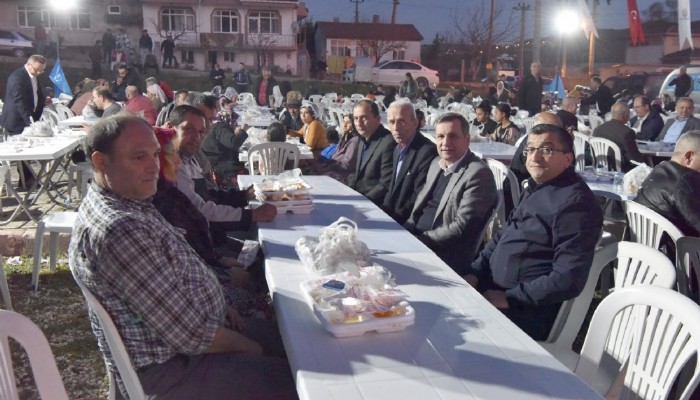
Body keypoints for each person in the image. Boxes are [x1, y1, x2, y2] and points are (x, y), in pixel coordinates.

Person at [68, 114, 296, 400]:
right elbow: (192, 335)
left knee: (294, 343)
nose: (155, 166)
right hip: (175, 370)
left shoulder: (129, 201)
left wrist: (221, 305)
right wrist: (252, 349)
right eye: (140, 157)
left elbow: (178, 270)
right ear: (101, 162)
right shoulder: (119, 229)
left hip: (199, 339)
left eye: (155, 154)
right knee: (304, 379)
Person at [465, 123, 604, 340]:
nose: (534, 158)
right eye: (530, 149)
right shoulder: (537, 187)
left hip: (526, 312)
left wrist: (510, 298)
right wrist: (475, 271)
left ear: (568, 159)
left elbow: (568, 277)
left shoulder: (575, 204)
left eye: (547, 150)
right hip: (494, 289)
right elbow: (504, 234)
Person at [403, 112, 498, 274]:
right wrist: (404, 232)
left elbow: (462, 227)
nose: (445, 143)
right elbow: (419, 208)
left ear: (467, 140)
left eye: (453, 136)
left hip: (443, 253)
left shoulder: (478, 174)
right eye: (440, 136)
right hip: (416, 240)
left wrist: (421, 241)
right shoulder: (436, 164)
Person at [168, 105, 276, 230]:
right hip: (204, 243)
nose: (196, 138)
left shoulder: (190, 159)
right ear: (170, 128)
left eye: (201, 132)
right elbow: (201, 211)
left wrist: (243, 195)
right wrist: (253, 215)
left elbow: (209, 196)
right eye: (189, 129)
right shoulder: (174, 166)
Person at [381, 99, 438, 225]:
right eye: (391, 122)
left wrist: (391, 222)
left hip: (407, 224)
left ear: (415, 123)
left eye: (402, 121)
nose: (396, 127)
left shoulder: (427, 152)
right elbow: (392, 190)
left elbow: (418, 198)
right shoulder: (397, 148)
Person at [635, 130, 700, 237]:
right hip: (673, 249)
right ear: (688, 157)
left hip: (643, 242)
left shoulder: (658, 170)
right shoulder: (686, 180)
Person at [0, 54, 46, 187]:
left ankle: (27, 180)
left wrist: (39, 111)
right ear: (29, 64)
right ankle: (27, 181)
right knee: (22, 151)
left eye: (41, 70)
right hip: (16, 119)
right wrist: (29, 122)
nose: (39, 73)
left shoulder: (34, 76)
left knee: (29, 152)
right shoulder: (17, 77)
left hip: (29, 117)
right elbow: (19, 100)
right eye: (37, 70)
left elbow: (37, 94)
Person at [347, 100, 397, 205]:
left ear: (377, 119)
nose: (358, 123)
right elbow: (358, 175)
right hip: (357, 197)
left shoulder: (388, 142)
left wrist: (362, 201)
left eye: (364, 118)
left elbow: (385, 183)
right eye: (356, 118)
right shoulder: (362, 139)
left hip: (373, 204)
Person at [201, 109, 249, 187]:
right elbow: (233, 143)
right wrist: (243, 131)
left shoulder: (216, 127)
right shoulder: (220, 127)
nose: (235, 124)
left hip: (218, 166)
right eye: (234, 121)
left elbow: (227, 140)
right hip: (224, 171)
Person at [592, 102, 644, 172]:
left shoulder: (597, 130)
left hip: (601, 167)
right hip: (621, 170)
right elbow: (634, 159)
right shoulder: (627, 132)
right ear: (626, 115)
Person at [314, 114, 360, 184]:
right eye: (344, 122)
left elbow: (347, 165)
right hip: (334, 169)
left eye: (348, 122)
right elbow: (335, 156)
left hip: (342, 176)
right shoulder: (344, 139)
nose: (344, 125)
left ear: (354, 124)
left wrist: (329, 165)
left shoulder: (354, 141)